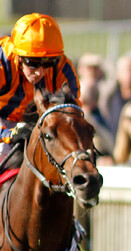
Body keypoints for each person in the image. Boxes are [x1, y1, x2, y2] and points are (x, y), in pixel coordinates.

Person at [0, 13, 80, 156]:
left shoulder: (62, 67)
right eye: (33, 63)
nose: (40, 72)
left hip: (40, 127)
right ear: (17, 54)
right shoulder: (2, 63)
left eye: (48, 63)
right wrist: (8, 133)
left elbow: (73, 113)